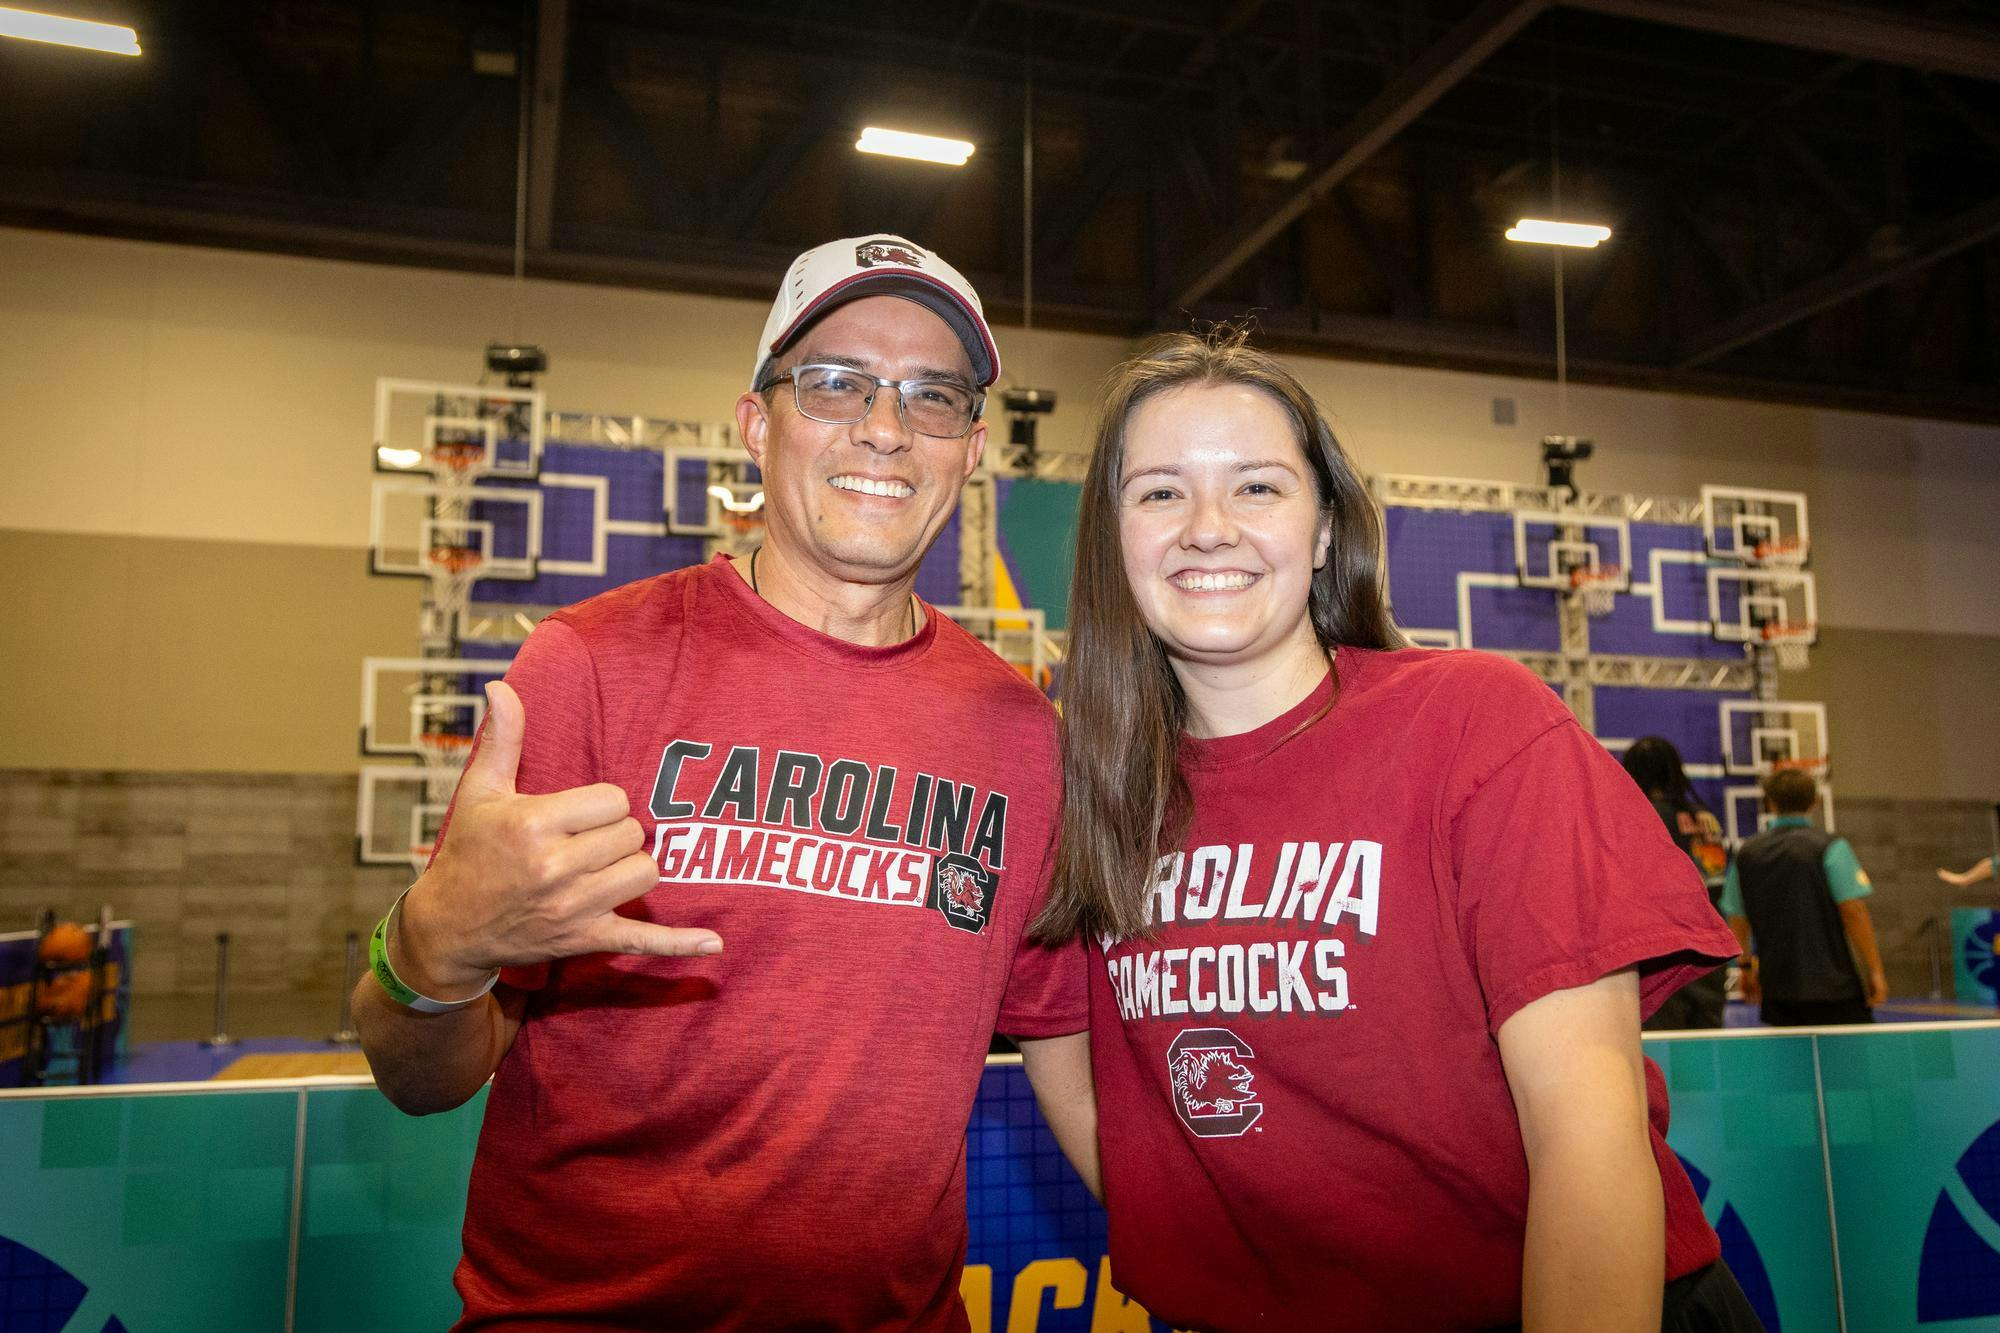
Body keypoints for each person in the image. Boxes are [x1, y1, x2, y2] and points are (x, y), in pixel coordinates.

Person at [353, 234, 1096, 1331]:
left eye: (931, 397)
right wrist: (430, 951)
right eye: (836, 383)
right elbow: (421, 1075)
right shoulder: (592, 666)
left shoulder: (1025, 736)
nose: (884, 428)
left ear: (971, 449)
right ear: (758, 423)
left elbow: (1070, 1058)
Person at [1035, 327, 1760, 1330]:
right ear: (1111, 538)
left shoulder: (1472, 722)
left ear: (1325, 529)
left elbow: (1590, 1141)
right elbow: (1076, 1074)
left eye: (1255, 486)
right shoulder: (1081, 795)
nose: (1207, 525)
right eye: (1158, 490)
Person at [1723, 766, 1887, 1026]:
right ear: (1815, 802)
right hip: (1836, 990)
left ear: (1769, 803)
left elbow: (1737, 917)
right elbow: (1853, 910)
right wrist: (1875, 971)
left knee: (1790, 1066)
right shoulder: (1832, 847)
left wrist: (1744, 967)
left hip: (1777, 989)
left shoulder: (1747, 854)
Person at [1621, 736, 1730, 1029]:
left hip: (1657, 957)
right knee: (1705, 1052)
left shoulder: (1631, 819)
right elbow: (1717, 886)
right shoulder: (1705, 821)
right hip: (1707, 955)